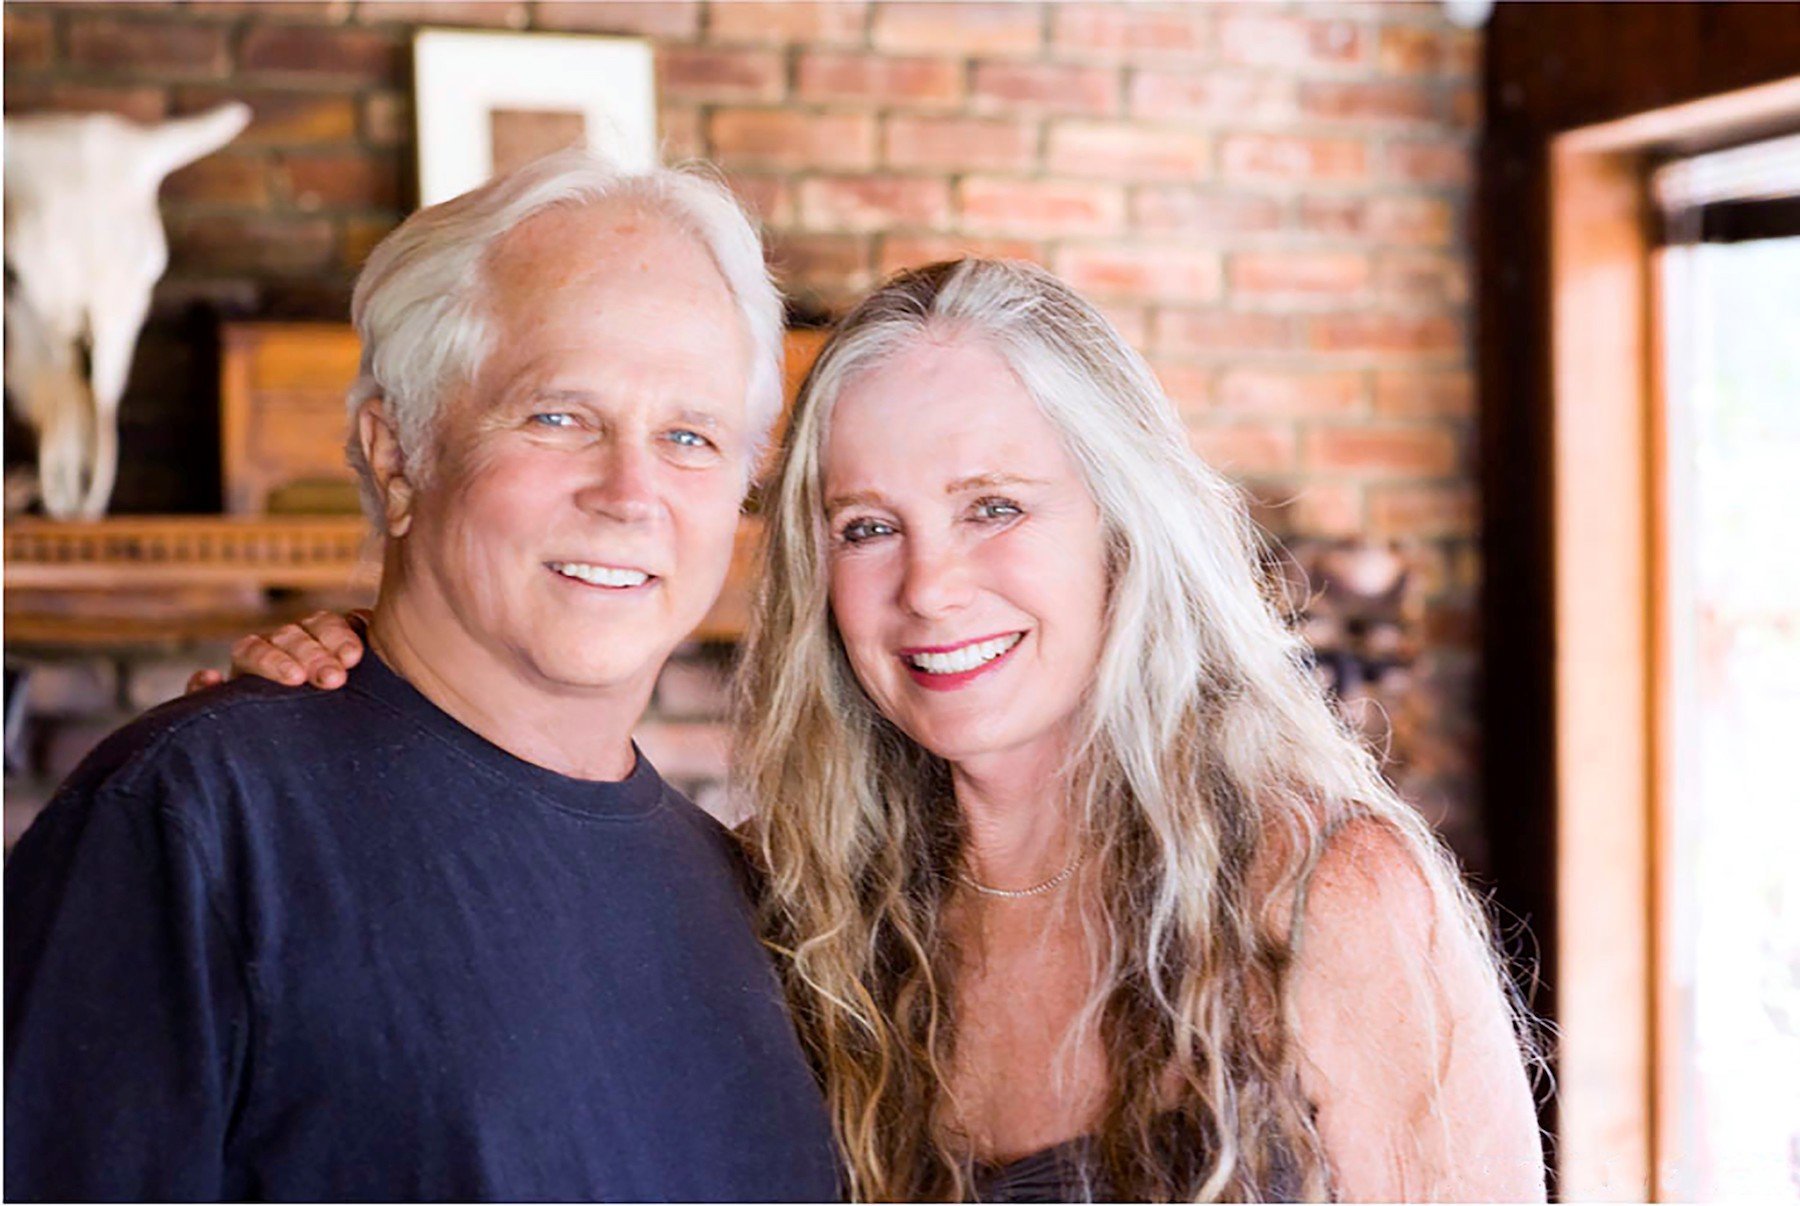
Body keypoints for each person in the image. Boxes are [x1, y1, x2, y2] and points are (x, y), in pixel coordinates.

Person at [210, 260, 1547, 1201]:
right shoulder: (796, 916)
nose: (929, 584)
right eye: (867, 527)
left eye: (993, 505)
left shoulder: (1330, 902)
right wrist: (351, 708)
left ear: (1124, 532)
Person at [3, 153, 840, 1201]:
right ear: (398, 454)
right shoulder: (197, 823)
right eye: (558, 415)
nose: (633, 493)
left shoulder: (750, 905)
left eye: (690, 436)